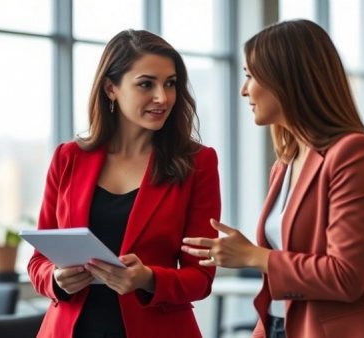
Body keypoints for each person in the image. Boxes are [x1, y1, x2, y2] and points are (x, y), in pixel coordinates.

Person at [182, 19, 364, 338]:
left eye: (250, 76)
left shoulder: (355, 154)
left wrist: (251, 255)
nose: (243, 90)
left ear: (286, 79)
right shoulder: (285, 163)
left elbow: (345, 276)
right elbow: (281, 284)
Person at [28, 29, 221, 338]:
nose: (163, 97)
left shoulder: (198, 163)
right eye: (146, 84)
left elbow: (201, 277)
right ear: (111, 88)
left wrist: (147, 279)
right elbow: (39, 260)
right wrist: (55, 279)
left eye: (170, 83)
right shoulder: (68, 158)